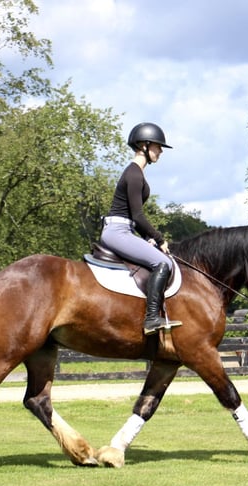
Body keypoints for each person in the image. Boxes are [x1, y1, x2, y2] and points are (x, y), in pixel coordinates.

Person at [100, 122, 183, 335]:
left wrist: (147, 237)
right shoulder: (134, 174)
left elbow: (133, 217)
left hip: (124, 229)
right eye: (158, 146)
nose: (161, 151)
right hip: (117, 231)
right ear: (145, 145)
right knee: (162, 262)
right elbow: (137, 215)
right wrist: (159, 237)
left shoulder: (136, 173)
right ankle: (151, 318)